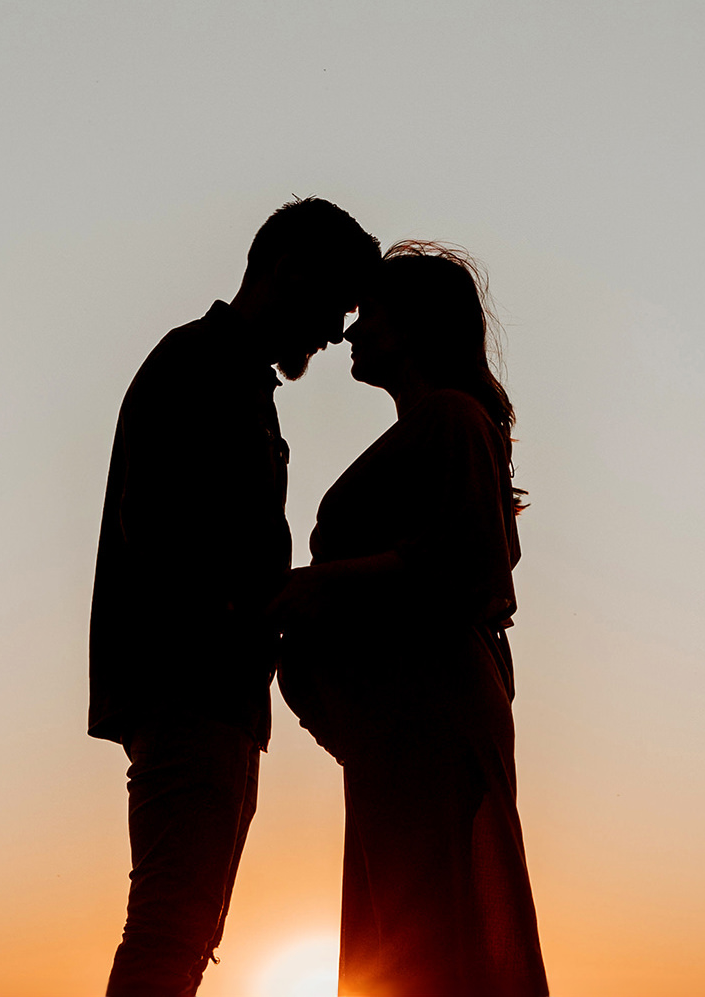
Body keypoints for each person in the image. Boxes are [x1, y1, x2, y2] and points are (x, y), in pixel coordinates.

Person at [88, 198, 380, 997]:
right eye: (335, 304)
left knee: (182, 932)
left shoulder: (233, 377)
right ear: (287, 269)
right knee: (170, 931)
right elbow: (166, 538)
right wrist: (269, 609)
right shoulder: (200, 367)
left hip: (211, 693)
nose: (334, 331)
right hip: (190, 688)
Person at [272, 242, 548, 997]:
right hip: (397, 723)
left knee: (429, 923)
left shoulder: (453, 420)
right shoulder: (431, 427)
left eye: (372, 315)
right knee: (406, 924)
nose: (353, 333)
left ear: (419, 324)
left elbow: (465, 561)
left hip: (430, 712)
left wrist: (316, 586)